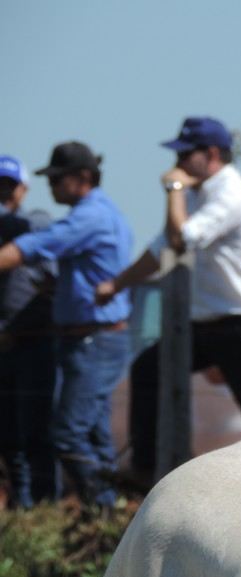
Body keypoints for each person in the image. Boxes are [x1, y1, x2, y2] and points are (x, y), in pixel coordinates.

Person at [96, 117, 241, 480]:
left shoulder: (231, 193)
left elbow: (181, 239)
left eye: (185, 154)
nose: (177, 163)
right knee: (149, 369)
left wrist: (173, 190)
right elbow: (161, 247)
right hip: (207, 324)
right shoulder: (199, 193)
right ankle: (149, 467)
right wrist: (116, 285)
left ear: (211, 154)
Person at [0, 142, 131, 508]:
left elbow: (41, 243)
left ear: (83, 178)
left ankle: (104, 506)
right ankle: (106, 513)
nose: (52, 186)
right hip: (91, 339)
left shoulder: (89, 217)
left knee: (68, 434)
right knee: (92, 433)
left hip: (94, 341)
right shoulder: (98, 213)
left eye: (57, 178)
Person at [0, 156, 58, 507]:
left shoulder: (37, 225)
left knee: (36, 431)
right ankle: (22, 510)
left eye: (10, 185)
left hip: (33, 345)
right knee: (7, 437)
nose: (4, 191)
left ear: (23, 189)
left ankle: (42, 507)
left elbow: (53, 281)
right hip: (3, 349)